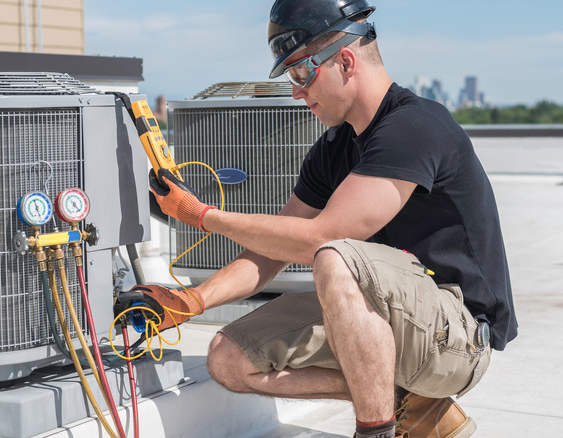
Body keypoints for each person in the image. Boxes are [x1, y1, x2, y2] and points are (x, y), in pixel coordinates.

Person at [118, 0, 517, 437]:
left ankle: (377, 431)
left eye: (299, 73)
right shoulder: (333, 148)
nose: (296, 91)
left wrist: (200, 215)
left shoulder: (415, 126)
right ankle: (412, 404)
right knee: (228, 359)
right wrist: (193, 300)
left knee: (333, 256)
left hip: (456, 337)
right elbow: (270, 254)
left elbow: (320, 239)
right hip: (395, 322)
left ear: (344, 61)